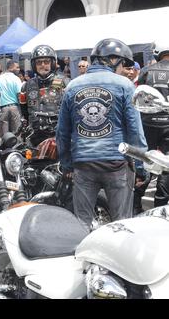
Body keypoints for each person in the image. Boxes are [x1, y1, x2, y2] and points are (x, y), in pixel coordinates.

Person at [56, 38, 148, 231]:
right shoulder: (125, 86)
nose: (124, 69)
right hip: (117, 164)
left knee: (81, 224)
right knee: (121, 225)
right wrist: (140, 168)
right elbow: (135, 131)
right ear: (112, 59)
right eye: (123, 63)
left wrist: (67, 164)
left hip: (83, 164)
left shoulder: (73, 86)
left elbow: (62, 132)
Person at [134, 40, 169, 211]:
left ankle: (134, 205)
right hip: (168, 127)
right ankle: (160, 206)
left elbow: (138, 94)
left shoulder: (146, 71)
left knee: (145, 162)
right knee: (165, 167)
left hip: (147, 125)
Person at [20, 45, 70, 146]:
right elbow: (24, 110)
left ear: (53, 63)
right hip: (34, 137)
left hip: (58, 136)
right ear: (34, 65)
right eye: (39, 62)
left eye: (46, 62)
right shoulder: (27, 85)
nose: (43, 65)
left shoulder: (64, 82)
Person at [0, 60, 23, 138]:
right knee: (16, 133)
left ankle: (4, 149)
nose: (19, 69)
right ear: (11, 67)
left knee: (4, 135)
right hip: (14, 108)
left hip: (4, 108)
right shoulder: (16, 79)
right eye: (17, 67)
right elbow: (19, 95)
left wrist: (1, 102)